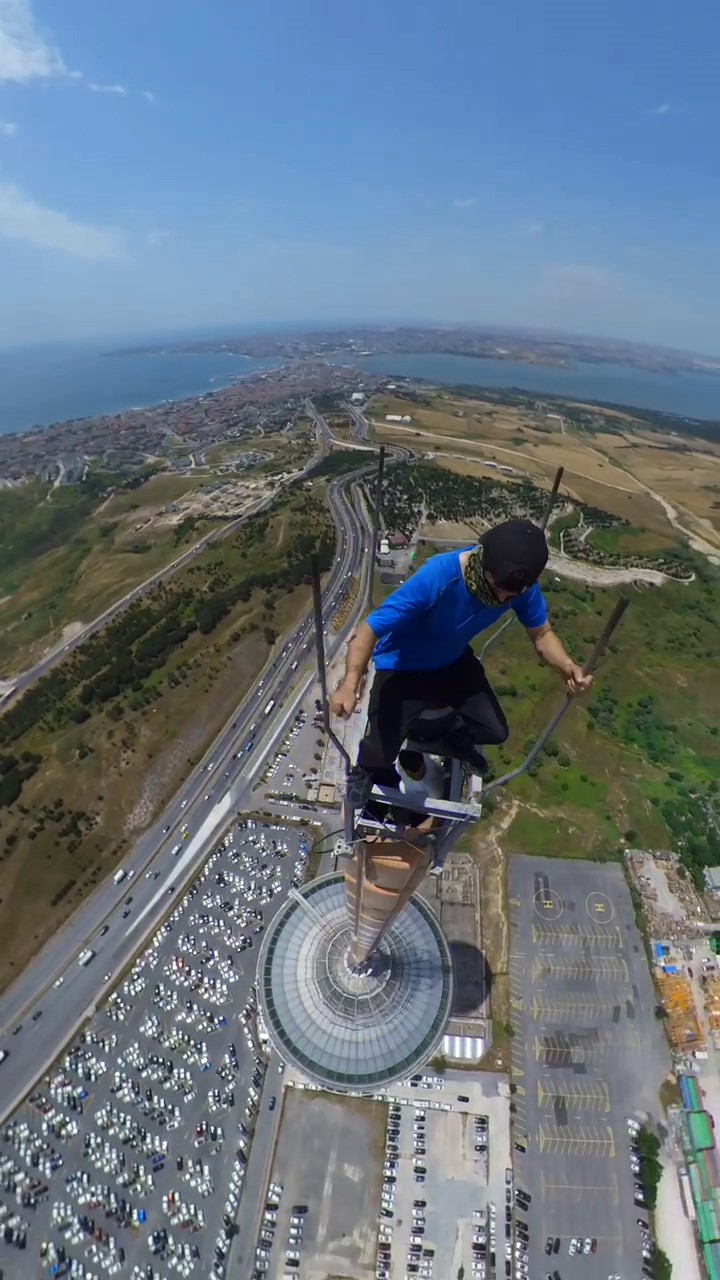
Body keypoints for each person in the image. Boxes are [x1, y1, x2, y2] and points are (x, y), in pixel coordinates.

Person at [329, 518, 593, 809]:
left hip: (452, 660)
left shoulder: (519, 587)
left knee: (494, 731)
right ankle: (365, 771)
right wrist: (350, 684)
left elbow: (542, 635)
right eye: (498, 588)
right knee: (380, 751)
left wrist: (568, 667)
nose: (502, 598)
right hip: (403, 666)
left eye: (512, 594)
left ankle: (454, 742)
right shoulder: (439, 577)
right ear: (485, 565)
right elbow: (369, 628)